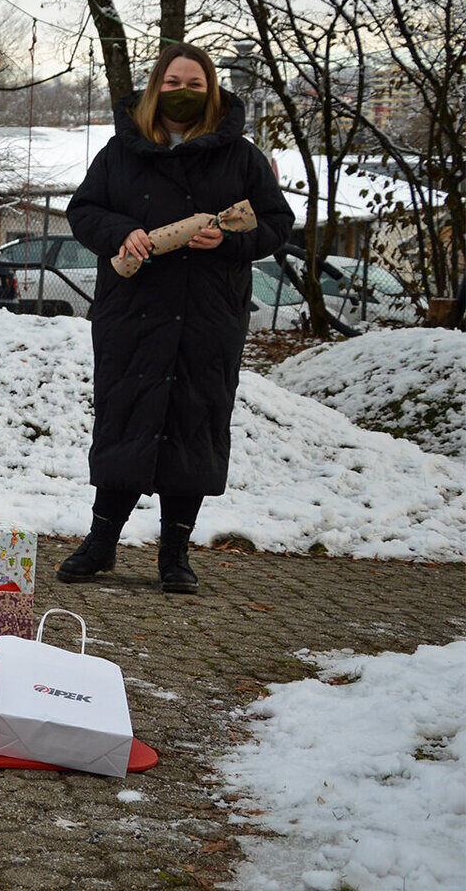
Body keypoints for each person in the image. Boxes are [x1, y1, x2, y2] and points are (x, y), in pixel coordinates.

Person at [61, 43, 294, 593]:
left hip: (207, 317)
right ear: (153, 90)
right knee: (125, 421)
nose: (182, 92)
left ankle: (175, 554)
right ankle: (101, 543)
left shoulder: (241, 157)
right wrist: (121, 232)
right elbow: (83, 212)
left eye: (194, 83)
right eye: (171, 83)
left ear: (211, 90)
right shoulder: (121, 151)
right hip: (132, 315)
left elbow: (277, 223)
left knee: (193, 423)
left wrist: (230, 241)